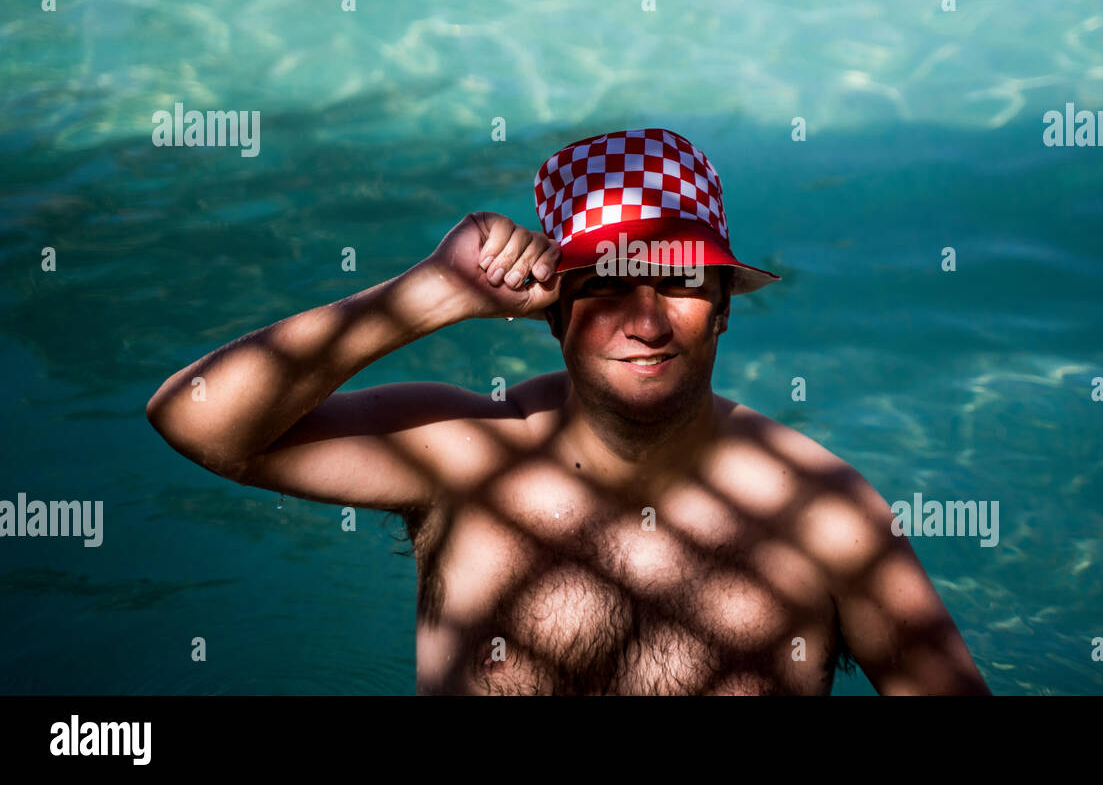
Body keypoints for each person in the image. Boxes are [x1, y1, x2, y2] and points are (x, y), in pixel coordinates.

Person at [146, 128, 991, 696]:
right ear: (550, 312)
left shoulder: (825, 516)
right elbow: (194, 419)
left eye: (683, 283)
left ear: (726, 304)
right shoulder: (463, 458)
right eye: (606, 288)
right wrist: (427, 295)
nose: (647, 320)